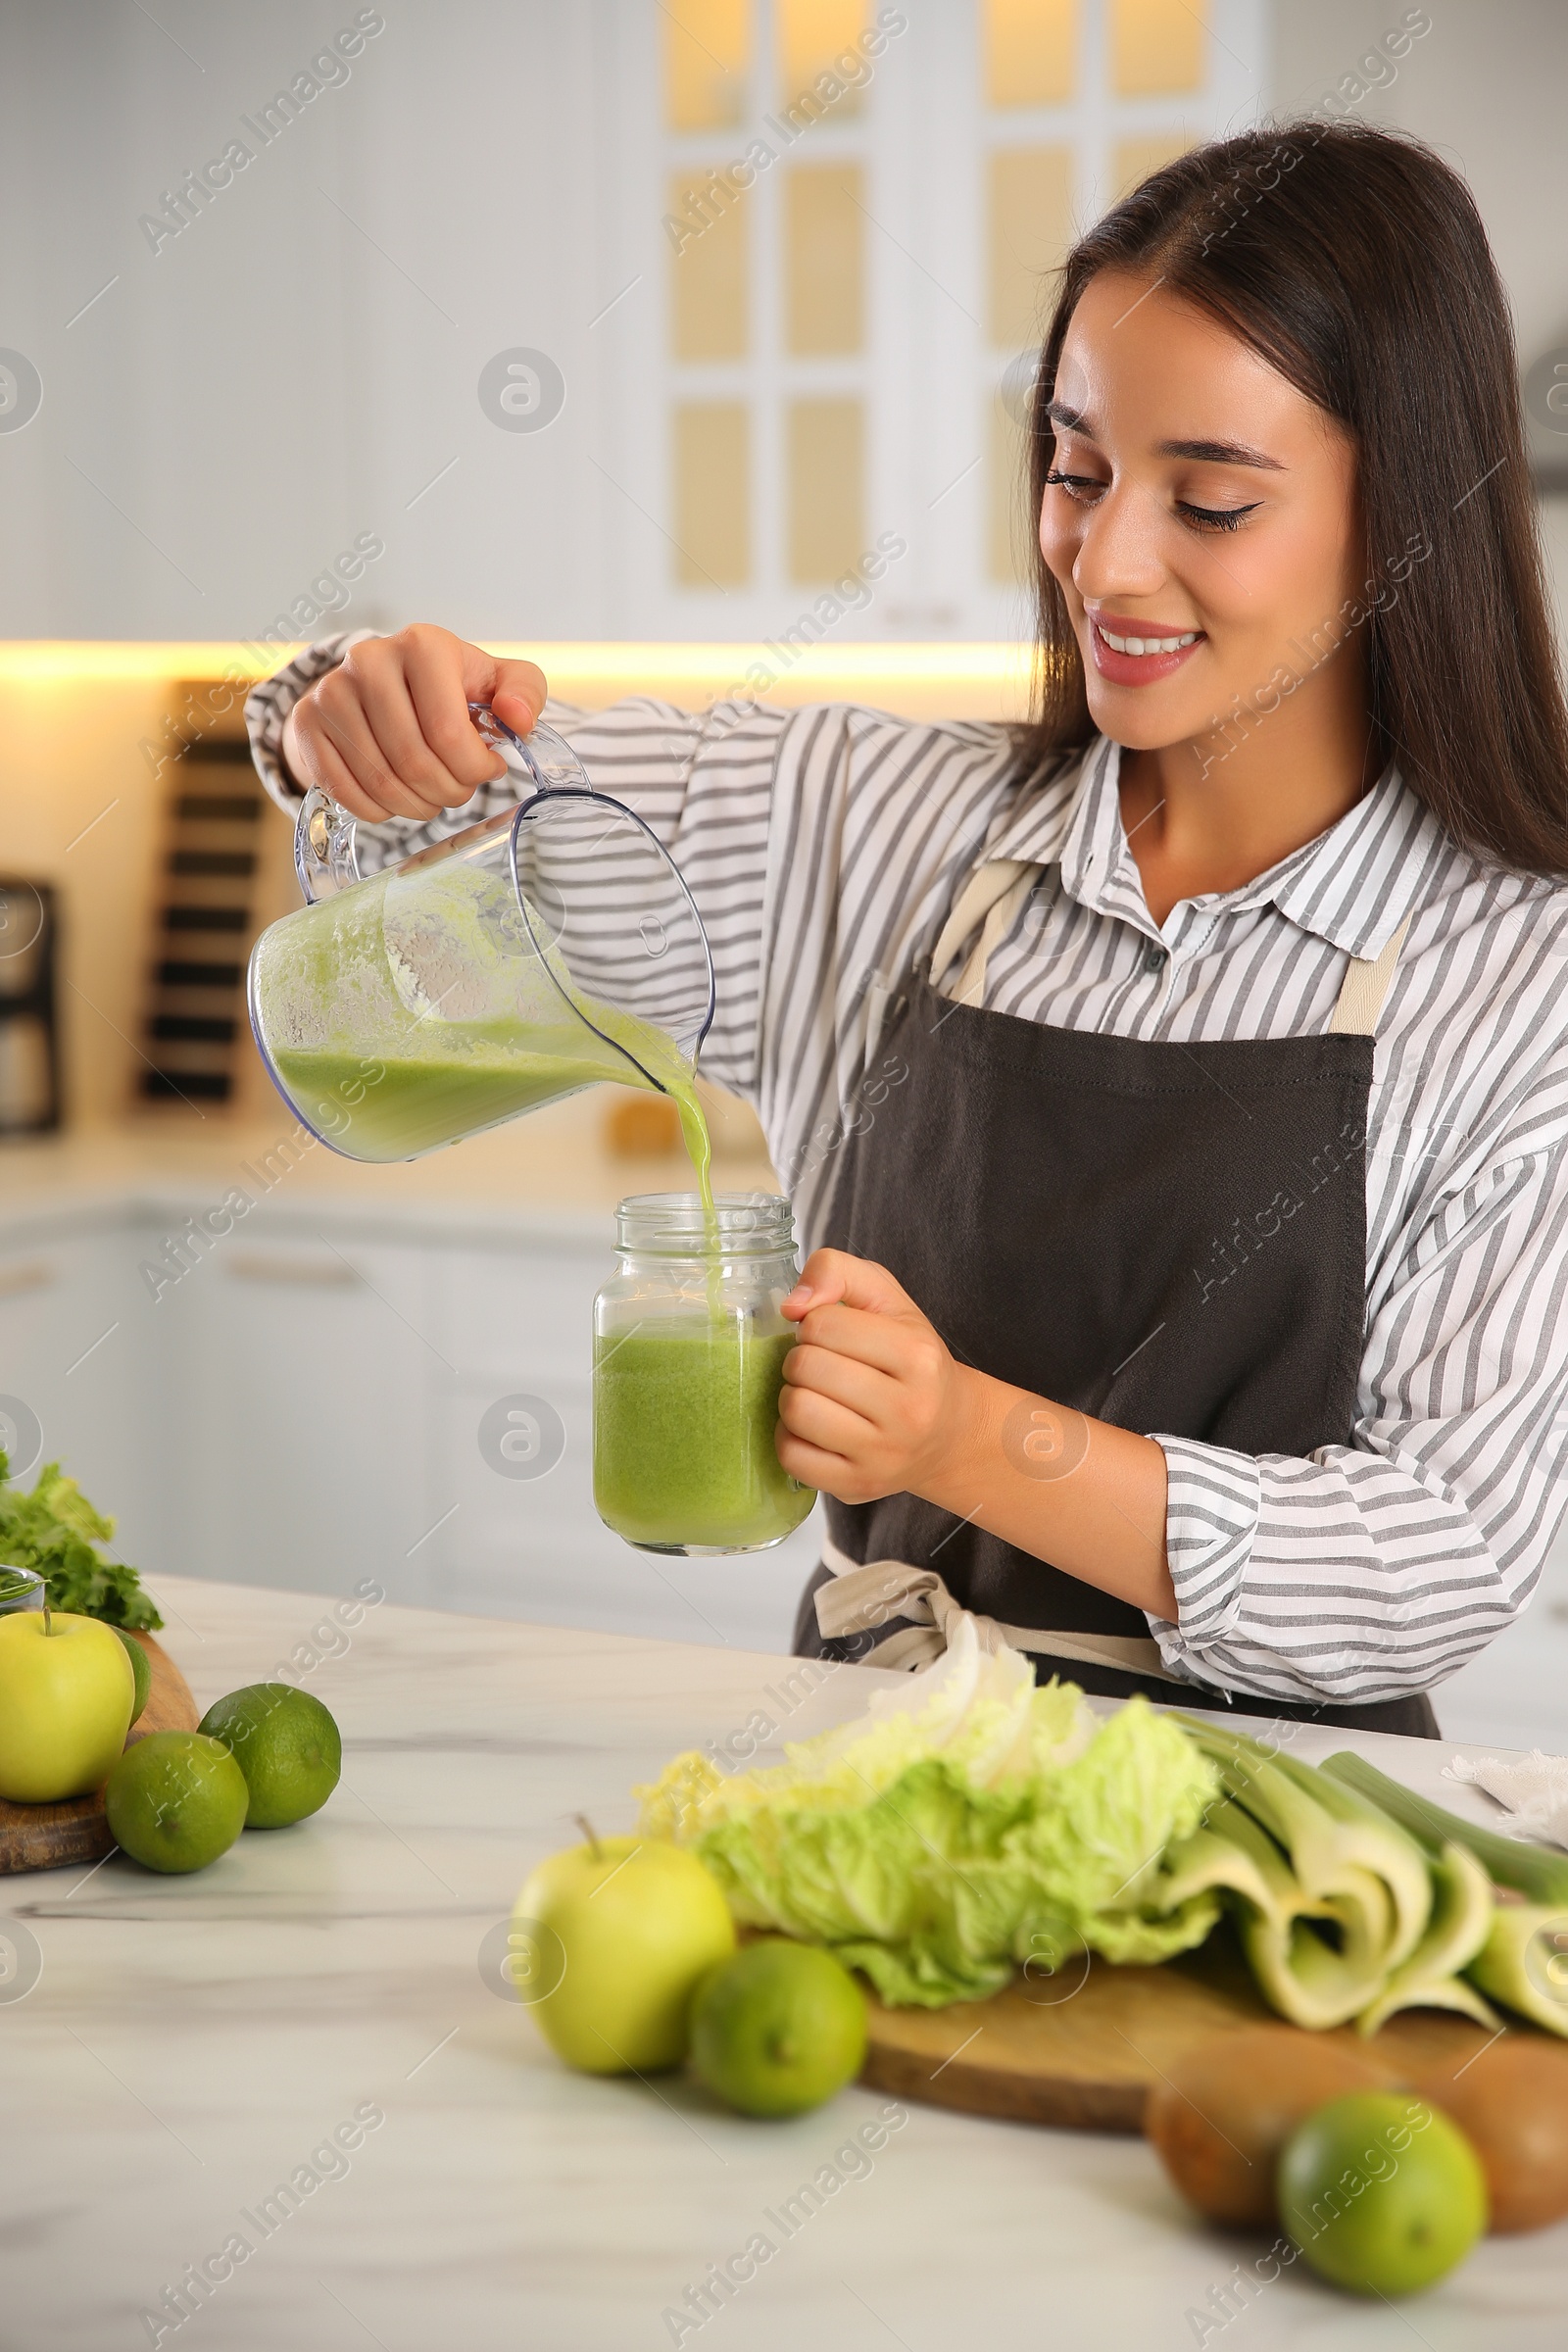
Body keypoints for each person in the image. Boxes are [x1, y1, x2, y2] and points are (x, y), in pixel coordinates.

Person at [247, 122, 1568, 1739]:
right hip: (867, 1772)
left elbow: (1436, 1559)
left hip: (1273, 1850)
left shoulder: (1519, 973)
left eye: (1210, 501)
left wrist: (968, 1440)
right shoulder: (874, 824)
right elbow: (482, 803)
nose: (1106, 559)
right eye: (1075, 472)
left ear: (1403, 522)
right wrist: (345, 712)